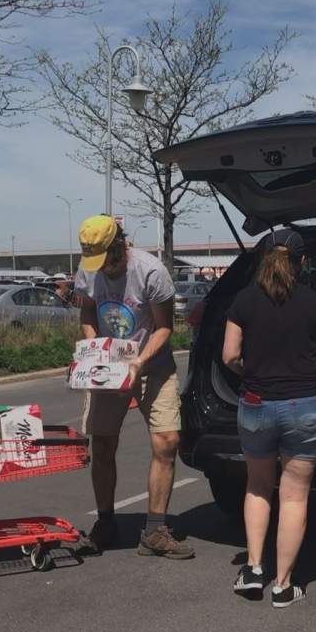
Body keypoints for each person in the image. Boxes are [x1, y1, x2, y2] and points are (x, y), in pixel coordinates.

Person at [221, 230, 316, 608]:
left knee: (257, 486)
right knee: (294, 496)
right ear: (302, 263)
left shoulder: (244, 301)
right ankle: (284, 585)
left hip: (255, 404)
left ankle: (253, 569)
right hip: (306, 406)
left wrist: (252, 372)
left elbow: (229, 356)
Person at [74, 214, 193, 559]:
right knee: (103, 443)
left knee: (167, 440)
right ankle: (106, 522)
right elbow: (87, 314)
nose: (103, 268)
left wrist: (138, 362)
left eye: (107, 259)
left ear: (119, 244)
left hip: (152, 366)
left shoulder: (151, 271)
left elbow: (164, 327)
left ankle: (155, 530)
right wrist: (95, 348)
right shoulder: (89, 270)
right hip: (108, 369)